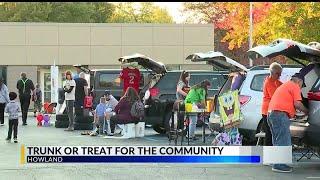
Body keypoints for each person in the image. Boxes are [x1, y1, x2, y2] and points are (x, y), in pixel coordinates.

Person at [268, 73, 308, 173]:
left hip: (272, 113)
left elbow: (288, 103)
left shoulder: (285, 85)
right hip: (280, 115)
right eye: (302, 85)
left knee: (277, 140)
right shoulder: (295, 86)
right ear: (299, 81)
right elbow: (297, 104)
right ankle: (279, 165)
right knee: (284, 140)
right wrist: (308, 111)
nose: (301, 88)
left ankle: (275, 162)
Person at [261, 62, 283, 146]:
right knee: (269, 134)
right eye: (278, 74)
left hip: (273, 111)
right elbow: (275, 96)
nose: (280, 75)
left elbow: (283, 87)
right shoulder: (269, 82)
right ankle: (268, 154)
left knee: (273, 134)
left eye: (280, 73)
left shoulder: (276, 81)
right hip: (267, 111)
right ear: (272, 72)